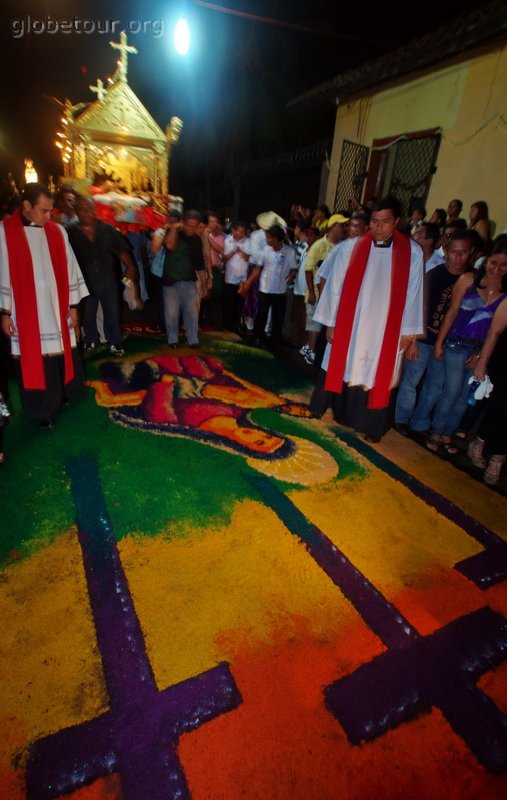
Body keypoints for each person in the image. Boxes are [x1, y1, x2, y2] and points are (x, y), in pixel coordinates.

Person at [310, 195, 424, 442]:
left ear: (397, 221)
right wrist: (331, 323)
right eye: (374, 221)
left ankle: (373, 427)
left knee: (381, 374)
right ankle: (344, 416)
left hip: (388, 328)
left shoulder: (412, 252)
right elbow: (335, 287)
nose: (378, 227)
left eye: (385, 222)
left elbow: (414, 293)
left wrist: (409, 332)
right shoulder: (351, 247)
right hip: (354, 322)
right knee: (347, 365)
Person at [0, 182, 89, 429]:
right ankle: (41, 410)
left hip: (55, 306)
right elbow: (2, 273)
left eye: (51, 211)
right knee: (34, 360)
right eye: (44, 211)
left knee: (59, 355)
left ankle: (61, 397)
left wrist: (73, 306)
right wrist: (4, 312)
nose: (49, 216)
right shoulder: (4, 233)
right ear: (26, 206)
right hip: (24, 312)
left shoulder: (57, 231)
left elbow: (71, 269)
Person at [425, 237, 507, 454]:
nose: (496, 269)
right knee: (451, 390)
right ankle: (436, 432)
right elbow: (451, 313)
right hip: (454, 343)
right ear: (485, 260)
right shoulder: (468, 280)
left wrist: (481, 358)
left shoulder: (505, 295)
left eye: (503, 265)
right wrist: (439, 343)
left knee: (464, 396)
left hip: (478, 348)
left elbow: (494, 333)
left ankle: (447, 435)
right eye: (493, 263)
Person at [395, 232, 472, 434]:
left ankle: (419, 420)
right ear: (445, 252)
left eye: (463, 252)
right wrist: (413, 341)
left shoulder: (471, 279)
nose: (458, 257)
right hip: (424, 338)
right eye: (454, 252)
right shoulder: (435, 275)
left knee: (435, 385)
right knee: (411, 380)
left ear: (470, 253)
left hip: (448, 342)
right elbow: (419, 308)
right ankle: (401, 417)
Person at [68, 196, 138, 356]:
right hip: (83, 279)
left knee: (112, 311)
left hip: (107, 277)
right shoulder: (70, 232)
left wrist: (131, 267)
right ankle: (90, 340)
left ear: (95, 211)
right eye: (82, 209)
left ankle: (115, 343)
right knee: (88, 312)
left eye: (89, 209)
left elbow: (121, 250)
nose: (86, 213)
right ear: (76, 211)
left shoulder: (107, 229)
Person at [467, 291, 507, 485]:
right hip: (504, 363)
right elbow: (494, 332)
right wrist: (482, 361)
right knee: (501, 407)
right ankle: (485, 445)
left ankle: (495, 455)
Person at [240, 225, 296, 347]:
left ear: (276, 239)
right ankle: (257, 338)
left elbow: (293, 268)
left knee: (278, 318)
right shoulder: (265, 250)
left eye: (268, 238)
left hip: (280, 291)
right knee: (261, 315)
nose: (266, 240)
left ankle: (275, 342)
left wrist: (291, 277)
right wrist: (249, 282)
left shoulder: (289, 252)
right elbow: (258, 268)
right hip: (264, 289)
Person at [161, 209, 206, 347]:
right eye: (189, 225)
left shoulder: (197, 240)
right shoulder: (173, 233)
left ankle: (193, 340)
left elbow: (200, 263)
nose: (191, 229)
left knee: (192, 313)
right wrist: (175, 228)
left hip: (189, 280)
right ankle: (172, 340)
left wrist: (204, 284)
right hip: (170, 280)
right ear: (183, 223)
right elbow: (170, 245)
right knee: (171, 314)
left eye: (195, 226)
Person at [222, 221, 250, 332]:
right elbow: (224, 259)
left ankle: (236, 327)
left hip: (243, 279)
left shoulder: (248, 242)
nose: (242, 233)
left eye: (244, 232)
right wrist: (234, 251)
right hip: (230, 278)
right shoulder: (227, 241)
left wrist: (242, 251)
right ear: (233, 230)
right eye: (240, 231)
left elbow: (249, 258)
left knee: (239, 305)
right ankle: (227, 326)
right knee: (229, 303)